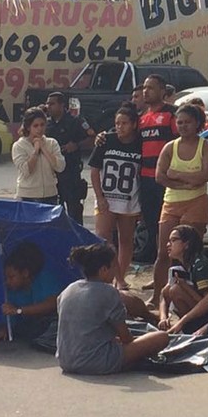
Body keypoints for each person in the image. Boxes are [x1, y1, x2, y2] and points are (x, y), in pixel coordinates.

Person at [100, 75, 175, 295]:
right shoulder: (141, 118)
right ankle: (159, 278)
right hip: (144, 180)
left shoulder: (172, 114)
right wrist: (103, 137)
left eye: (151, 88)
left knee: (170, 231)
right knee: (153, 229)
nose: (146, 92)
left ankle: (172, 278)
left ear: (163, 90)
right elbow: (122, 135)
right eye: (145, 89)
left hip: (166, 180)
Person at [56, 244, 169, 375]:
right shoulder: (109, 292)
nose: (116, 272)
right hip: (95, 362)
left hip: (65, 361)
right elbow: (126, 338)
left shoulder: (69, 289)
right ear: (104, 270)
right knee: (161, 337)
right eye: (114, 267)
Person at [152, 104, 208, 302]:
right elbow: (160, 176)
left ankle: (194, 294)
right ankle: (157, 296)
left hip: (196, 201)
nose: (183, 126)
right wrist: (186, 181)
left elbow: (205, 175)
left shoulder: (205, 146)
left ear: (197, 123)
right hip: (171, 202)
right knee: (164, 252)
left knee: (189, 252)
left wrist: (177, 174)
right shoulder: (170, 147)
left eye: (188, 122)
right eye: (179, 122)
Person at [89, 104, 142, 291]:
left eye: (124, 123)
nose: (120, 127)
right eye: (117, 123)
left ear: (134, 124)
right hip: (107, 198)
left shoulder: (140, 143)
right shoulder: (106, 140)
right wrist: (99, 196)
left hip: (129, 199)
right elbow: (94, 170)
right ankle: (116, 277)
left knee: (126, 240)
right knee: (103, 238)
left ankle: (122, 275)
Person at [0, 242, 66, 343]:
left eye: (12, 277)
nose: (8, 281)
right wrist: (6, 329)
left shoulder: (44, 278)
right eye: (6, 278)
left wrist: (19, 310)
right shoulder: (12, 291)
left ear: (25, 273)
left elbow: (52, 303)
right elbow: (13, 320)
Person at [156, 224, 208, 330]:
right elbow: (164, 295)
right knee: (169, 289)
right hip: (194, 312)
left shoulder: (201, 266)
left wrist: (185, 286)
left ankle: (189, 327)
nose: (168, 244)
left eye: (173, 240)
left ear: (186, 244)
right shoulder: (180, 266)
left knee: (176, 290)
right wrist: (163, 317)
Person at [45, 92, 94, 224]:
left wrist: (77, 145)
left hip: (70, 172)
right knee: (54, 212)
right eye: (47, 103)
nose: (48, 106)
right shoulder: (46, 124)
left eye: (52, 103)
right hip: (52, 173)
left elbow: (92, 138)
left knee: (74, 210)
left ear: (62, 105)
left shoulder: (76, 121)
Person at [12, 108, 66, 203]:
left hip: (50, 195)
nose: (39, 129)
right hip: (28, 196)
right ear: (28, 127)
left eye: (42, 125)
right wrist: (36, 151)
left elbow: (60, 167)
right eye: (35, 126)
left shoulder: (52, 143)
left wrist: (43, 148)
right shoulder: (19, 146)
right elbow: (26, 170)